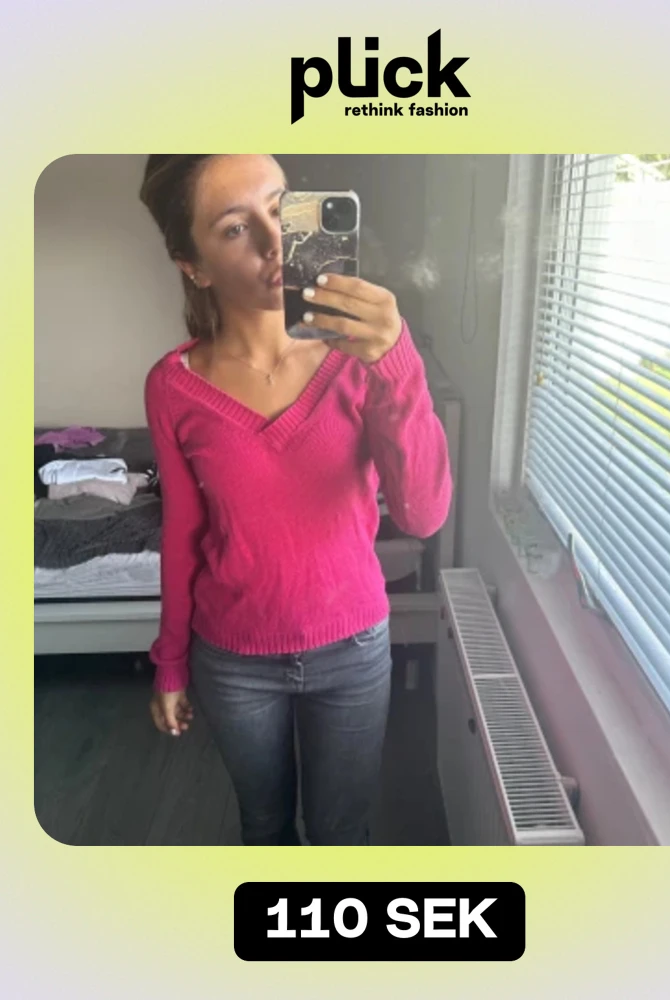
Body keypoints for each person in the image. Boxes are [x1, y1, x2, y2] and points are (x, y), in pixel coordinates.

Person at [138, 154, 452, 845]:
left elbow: (424, 513)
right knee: (265, 827)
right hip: (234, 661)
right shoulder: (172, 386)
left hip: (353, 647)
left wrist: (398, 363)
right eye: (234, 228)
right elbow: (183, 532)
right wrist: (170, 661)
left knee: (343, 833)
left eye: (280, 208)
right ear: (193, 266)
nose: (274, 241)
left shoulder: (362, 360)